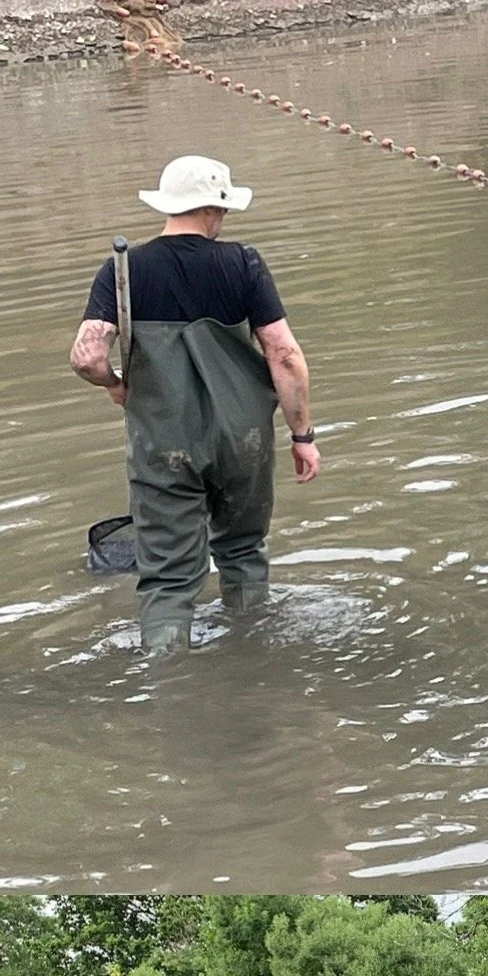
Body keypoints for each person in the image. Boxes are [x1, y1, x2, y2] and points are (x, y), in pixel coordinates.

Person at [69, 155, 320, 658]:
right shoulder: (243, 264)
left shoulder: (123, 271)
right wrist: (302, 436)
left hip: (163, 447)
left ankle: (172, 685)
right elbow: (285, 356)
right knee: (244, 552)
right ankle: (253, 663)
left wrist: (116, 385)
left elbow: (87, 356)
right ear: (214, 208)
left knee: (166, 580)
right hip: (242, 441)